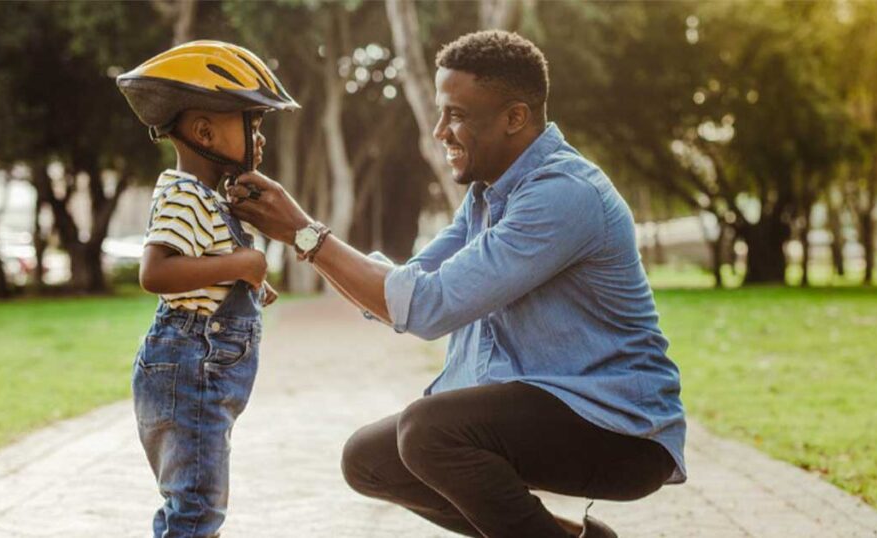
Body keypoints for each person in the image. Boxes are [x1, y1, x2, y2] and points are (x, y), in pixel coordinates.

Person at [227, 30, 686, 538]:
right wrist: (305, 238)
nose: (440, 131)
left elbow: (426, 308)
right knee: (369, 459)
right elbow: (409, 284)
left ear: (515, 117)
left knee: (429, 432)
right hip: (553, 412)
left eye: (458, 115)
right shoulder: (488, 197)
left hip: (620, 430)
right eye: (441, 114)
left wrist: (304, 233)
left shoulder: (563, 195)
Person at [116, 40, 298, 537]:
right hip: (190, 368)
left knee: (191, 505)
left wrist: (248, 278)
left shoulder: (206, 199)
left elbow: (205, 276)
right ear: (204, 132)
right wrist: (245, 260)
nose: (260, 140)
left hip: (198, 373)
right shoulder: (184, 195)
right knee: (197, 510)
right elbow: (156, 273)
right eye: (252, 125)